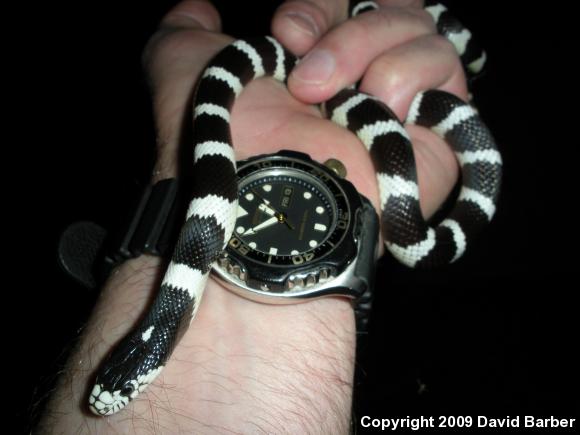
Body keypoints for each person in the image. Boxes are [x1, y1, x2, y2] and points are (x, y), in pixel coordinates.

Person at [38, 0, 468, 432]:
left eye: (127, 388)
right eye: (125, 390)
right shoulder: (171, 308)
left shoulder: (173, 303)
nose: (112, 397)